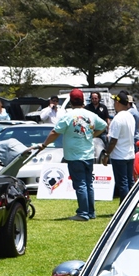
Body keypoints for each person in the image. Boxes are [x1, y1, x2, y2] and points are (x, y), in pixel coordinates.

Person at [39, 88, 106, 222]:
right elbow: (103, 125)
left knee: (80, 184)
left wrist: (44, 145)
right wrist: (92, 134)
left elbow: (55, 132)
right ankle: (91, 212)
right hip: (88, 154)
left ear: (70, 101)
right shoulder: (90, 114)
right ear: (83, 100)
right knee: (88, 184)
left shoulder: (68, 116)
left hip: (74, 156)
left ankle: (83, 213)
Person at [104, 91, 138, 201]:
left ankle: (124, 208)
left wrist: (106, 154)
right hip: (129, 153)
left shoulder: (117, 119)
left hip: (119, 155)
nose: (114, 104)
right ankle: (131, 205)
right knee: (130, 182)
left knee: (122, 183)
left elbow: (113, 140)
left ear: (118, 103)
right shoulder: (130, 116)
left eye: (115, 101)